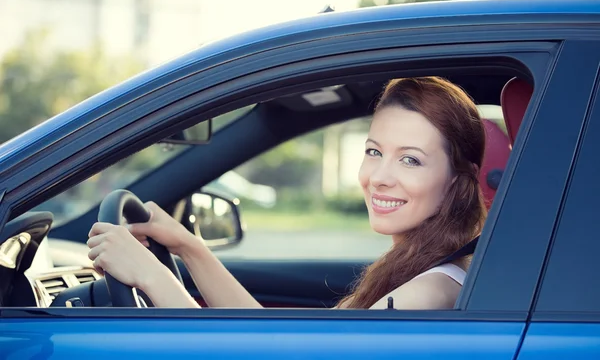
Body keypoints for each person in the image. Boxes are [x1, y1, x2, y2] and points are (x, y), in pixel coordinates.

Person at [87, 76, 487, 310]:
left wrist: (151, 276)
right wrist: (189, 248)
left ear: (456, 179)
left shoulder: (431, 291)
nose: (379, 177)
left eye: (411, 160)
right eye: (374, 152)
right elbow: (277, 349)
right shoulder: (419, 266)